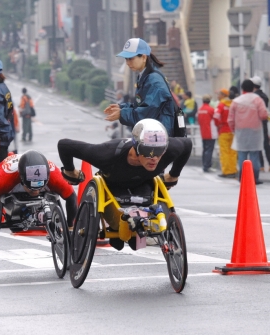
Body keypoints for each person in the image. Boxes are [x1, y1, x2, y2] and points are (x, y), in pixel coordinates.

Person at [58, 118, 192, 250]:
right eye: (148, 152)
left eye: (159, 152)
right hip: (112, 187)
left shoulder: (170, 150)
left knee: (136, 238)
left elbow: (187, 144)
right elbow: (64, 145)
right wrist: (71, 172)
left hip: (143, 184)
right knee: (120, 229)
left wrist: (174, 175)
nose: (154, 158)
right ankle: (119, 230)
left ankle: (134, 231)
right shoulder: (107, 154)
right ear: (136, 147)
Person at [0, 150, 77, 249]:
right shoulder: (5, 178)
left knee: (66, 192)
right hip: (9, 170)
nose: (36, 192)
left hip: (37, 171)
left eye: (39, 188)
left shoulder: (54, 175)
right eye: (32, 189)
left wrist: (69, 227)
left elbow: (72, 197)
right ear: (21, 179)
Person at [104, 38, 176, 136]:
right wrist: (121, 107)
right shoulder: (145, 76)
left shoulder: (154, 81)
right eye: (126, 58)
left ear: (143, 57)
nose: (127, 63)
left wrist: (122, 114)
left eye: (131, 58)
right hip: (153, 136)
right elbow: (140, 106)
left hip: (160, 139)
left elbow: (146, 114)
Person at [228, 79, 268, 184]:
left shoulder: (236, 101)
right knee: (254, 154)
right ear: (253, 88)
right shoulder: (258, 100)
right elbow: (263, 115)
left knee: (242, 154)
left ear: (242, 88)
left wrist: (234, 129)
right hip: (255, 131)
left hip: (240, 131)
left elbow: (230, 119)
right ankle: (255, 178)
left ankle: (242, 177)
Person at [251, 76, 270, 173]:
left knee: (258, 144)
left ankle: (261, 165)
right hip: (264, 122)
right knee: (266, 144)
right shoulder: (264, 96)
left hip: (256, 123)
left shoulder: (254, 97)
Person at [213, 88, 236, 178]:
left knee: (224, 151)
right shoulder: (233, 104)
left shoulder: (221, 105)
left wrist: (218, 125)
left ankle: (226, 171)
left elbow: (216, 116)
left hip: (223, 131)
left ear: (223, 95)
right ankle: (233, 170)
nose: (218, 96)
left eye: (219, 94)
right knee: (233, 152)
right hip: (233, 131)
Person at [197, 94, 216, 173]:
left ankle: (204, 164)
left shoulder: (200, 109)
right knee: (209, 149)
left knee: (205, 149)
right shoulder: (211, 110)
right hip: (210, 132)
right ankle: (207, 166)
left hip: (203, 132)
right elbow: (216, 119)